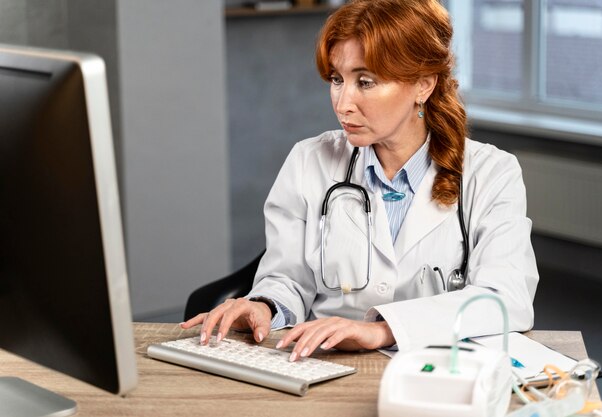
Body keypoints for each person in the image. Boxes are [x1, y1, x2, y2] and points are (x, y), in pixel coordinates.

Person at [182, 0, 539, 361]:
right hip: (323, 365)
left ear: (423, 86)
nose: (343, 103)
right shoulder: (309, 161)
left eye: (365, 82)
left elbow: (507, 298)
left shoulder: (492, 173)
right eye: (337, 79)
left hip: (436, 371)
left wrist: (382, 330)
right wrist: (264, 306)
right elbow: (287, 278)